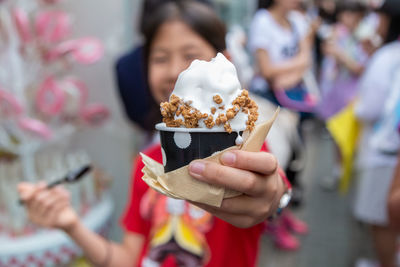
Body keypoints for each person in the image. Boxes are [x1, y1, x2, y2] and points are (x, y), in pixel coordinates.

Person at [17, 1, 289, 267]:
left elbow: (272, 187)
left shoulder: (244, 149)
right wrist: (71, 224)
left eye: (190, 56)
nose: (174, 71)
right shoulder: (147, 167)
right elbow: (130, 259)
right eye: (160, 58)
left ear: (224, 65)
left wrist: (273, 198)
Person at [248, 0, 310, 251]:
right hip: (269, 104)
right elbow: (266, 70)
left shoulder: (297, 21)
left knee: (295, 160)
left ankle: (283, 213)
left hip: (294, 102)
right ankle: (274, 221)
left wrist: (286, 75)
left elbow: (305, 59)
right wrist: (296, 68)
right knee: (276, 163)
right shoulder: (262, 21)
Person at [353, 3, 400, 265]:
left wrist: (355, 108)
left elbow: (369, 109)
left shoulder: (387, 56)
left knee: (381, 218)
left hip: (384, 151)